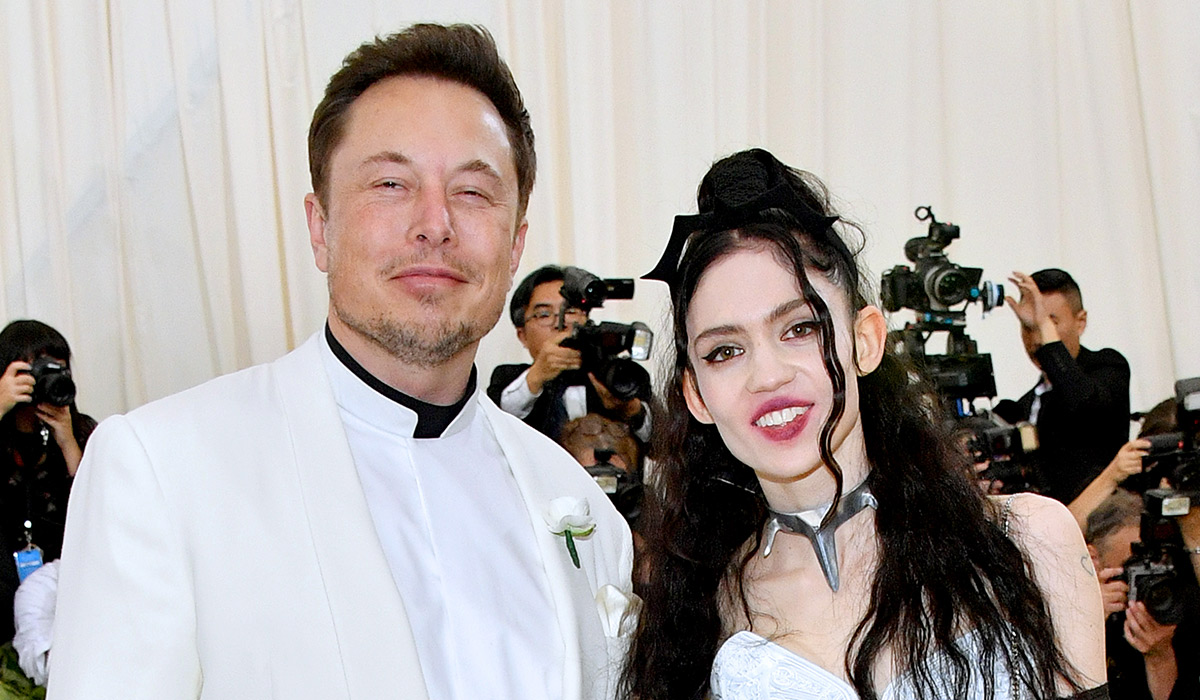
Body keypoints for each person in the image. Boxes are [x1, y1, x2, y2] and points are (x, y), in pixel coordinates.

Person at [50, 24, 633, 700]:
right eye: (390, 183)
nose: (434, 222)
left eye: (473, 192)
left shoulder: (580, 506)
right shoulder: (162, 470)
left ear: (514, 245)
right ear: (320, 227)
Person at [622, 149, 1107, 699]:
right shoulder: (700, 612)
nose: (767, 375)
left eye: (800, 328)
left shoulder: (1028, 541)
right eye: (725, 351)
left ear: (866, 340)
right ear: (696, 394)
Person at [994, 269, 1130, 504]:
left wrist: (1044, 327)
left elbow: (1082, 402)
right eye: (1028, 326)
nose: (1037, 338)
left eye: (1050, 322)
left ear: (1080, 322)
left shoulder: (1108, 368)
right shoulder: (1026, 405)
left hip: (1100, 515)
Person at [0, 320, 95, 644]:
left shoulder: (82, 432)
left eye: (57, 368)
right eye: (36, 368)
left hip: (67, 585)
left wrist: (67, 440)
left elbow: (100, 509)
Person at [488, 265, 651, 442]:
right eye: (544, 314)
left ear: (587, 319)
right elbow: (495, 423)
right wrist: (538, 375)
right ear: (523, 336)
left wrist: (631, 410)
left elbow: (657, 439)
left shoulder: (618, 377)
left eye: (571, 311)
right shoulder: (509, 378)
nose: (561, 323)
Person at [1086, 491, 1199, 700]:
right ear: (1093, 558)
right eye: (1135, 566)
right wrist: (1088, 623)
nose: (1149, 581)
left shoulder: (1179, 610)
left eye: (1156, 567)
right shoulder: (1067, 610)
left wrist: (1160, 656)